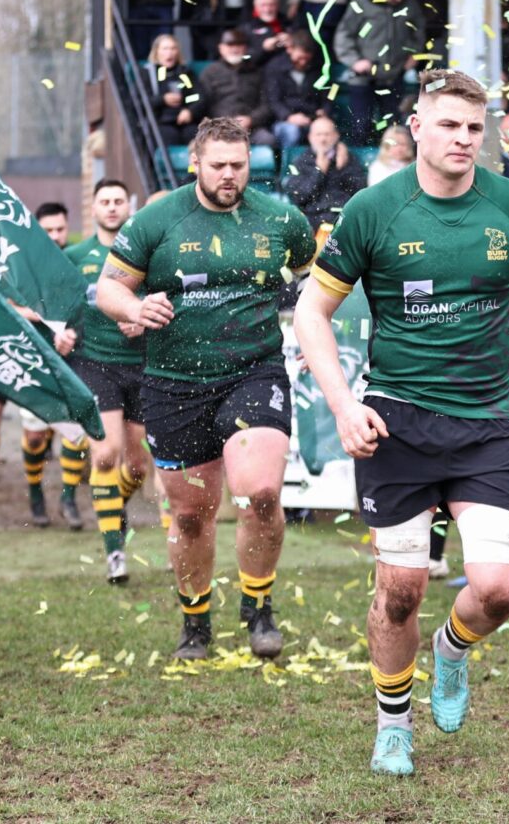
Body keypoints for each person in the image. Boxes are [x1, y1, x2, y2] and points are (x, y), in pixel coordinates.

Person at [292, 68, 509, 778]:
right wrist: (341, 401)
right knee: (400, 592)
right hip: (395, 424)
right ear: (417, 126)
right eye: (449, 125)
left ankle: (451, 653)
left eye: (474, 128)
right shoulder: (372, 209)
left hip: (487, 422)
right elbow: (310, 312)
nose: (463, 139)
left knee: (500, 589)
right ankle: (393, 725)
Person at [97, 118, 317, 662]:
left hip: (254, 371)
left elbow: (315, 286)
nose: (228, 175)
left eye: (238, 166)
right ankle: (195, 621)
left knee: (260, 490)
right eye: (217, 164)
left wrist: (318, 336)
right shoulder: (158, 220)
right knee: (192, 514)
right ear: (195, 161)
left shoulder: (282, 220)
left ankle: (258, 606)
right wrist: (135, 307)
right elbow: (108, 286)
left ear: (251, 164)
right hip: (174, 383)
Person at [65, 180, 152, 584]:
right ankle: (114, 551)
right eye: (106, 201)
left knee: (137, 466)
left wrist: (143, 323)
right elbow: (51, 306)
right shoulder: (76, 256)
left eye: (119, 201)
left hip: (142, 364)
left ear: (127, 207)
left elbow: (165, 303)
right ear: (94, 208)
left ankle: (111, 506)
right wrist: (56, 334)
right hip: (95, 362)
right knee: (105, 454)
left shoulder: (145, 252)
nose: (113, 207)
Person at [16, 202, 74, 527]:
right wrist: (41, 315)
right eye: (48, 230)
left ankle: (68, 499)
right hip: (33, 363)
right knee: (36, 438)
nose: (54, 235)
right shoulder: (23, 267)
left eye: (60, 229)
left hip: (74, 362)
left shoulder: (76, 260)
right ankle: (35, 490)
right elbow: (4, 306)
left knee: (73, 435)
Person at [334, 0, 427, 144]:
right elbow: (343, 35)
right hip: (363, 76)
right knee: (361, 128)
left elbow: (418, 28)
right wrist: (354, 61)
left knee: (394, 127)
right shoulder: (360, 3)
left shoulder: (408, 3)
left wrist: (415, 53)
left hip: (393, 74)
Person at [284, 116, 366, 230]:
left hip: (342, 217)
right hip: (312, 218)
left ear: (336, 136)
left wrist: (341, 169)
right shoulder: (301, 161)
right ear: (310, 137)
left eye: (327, 134)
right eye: (318, 134)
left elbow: (359, 190)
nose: (323, 139)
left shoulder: (348, 158)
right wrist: (319, 171)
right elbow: (298, 196)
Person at [199, 29, 274, 144]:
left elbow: (267, 105)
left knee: (268, 139)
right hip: (219, 129)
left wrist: (251, 119)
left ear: (245, 48)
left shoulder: (256, 72)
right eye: (230, 45)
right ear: (221, 48)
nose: (234, 49)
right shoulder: (210, 72)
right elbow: (203, 105)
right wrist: (225, 122)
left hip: (251, 128)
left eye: (239, 45)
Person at [262, 35, 327, 150]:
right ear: (290, 49)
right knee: (292, 131)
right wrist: (289, 117)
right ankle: (288, 165)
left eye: (306, 59)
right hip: (284, 119)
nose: (302, 62)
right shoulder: (275, 67)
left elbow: (330, 91)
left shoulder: (318, 68)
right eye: (299, 58)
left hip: (311, 117)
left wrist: (325, 110)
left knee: (326, 130)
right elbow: (273, 100)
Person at [147, 34, 203, 146]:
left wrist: (190, 111)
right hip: (161, 121)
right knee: (169, 136)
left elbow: (198, 96)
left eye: (173, 48)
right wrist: (163, 99)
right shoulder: (149, 73)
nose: (170, 53)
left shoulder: (184, 73)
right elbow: (141, 100)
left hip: (184, 120)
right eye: (165, 49)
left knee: (195, 134)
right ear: (156, 52)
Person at [241, 0, 291, 68]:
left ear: (278, 4)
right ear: (255, 5)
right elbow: (243, 58)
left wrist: (292, 41)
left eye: (271, 5)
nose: (267, 10)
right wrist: (263, 49)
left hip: (283, 72)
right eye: (263, 5)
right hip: (257, 73)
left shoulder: (287, 23)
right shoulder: (246, 26)